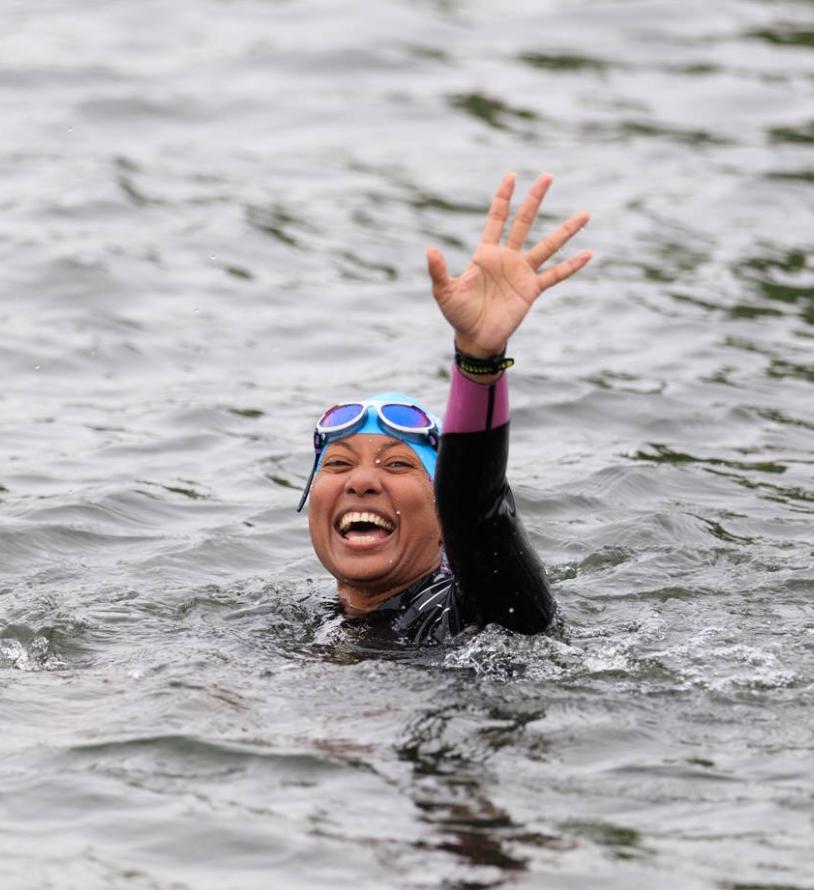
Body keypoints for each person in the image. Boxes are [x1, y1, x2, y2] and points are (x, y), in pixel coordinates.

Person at [299, 172, 592, 644]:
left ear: (443, 523)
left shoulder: (476, 612)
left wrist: (479, 361)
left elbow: (477, 510)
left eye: (397, 463)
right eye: (337, 463)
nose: (361, 481)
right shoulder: (305, 623)